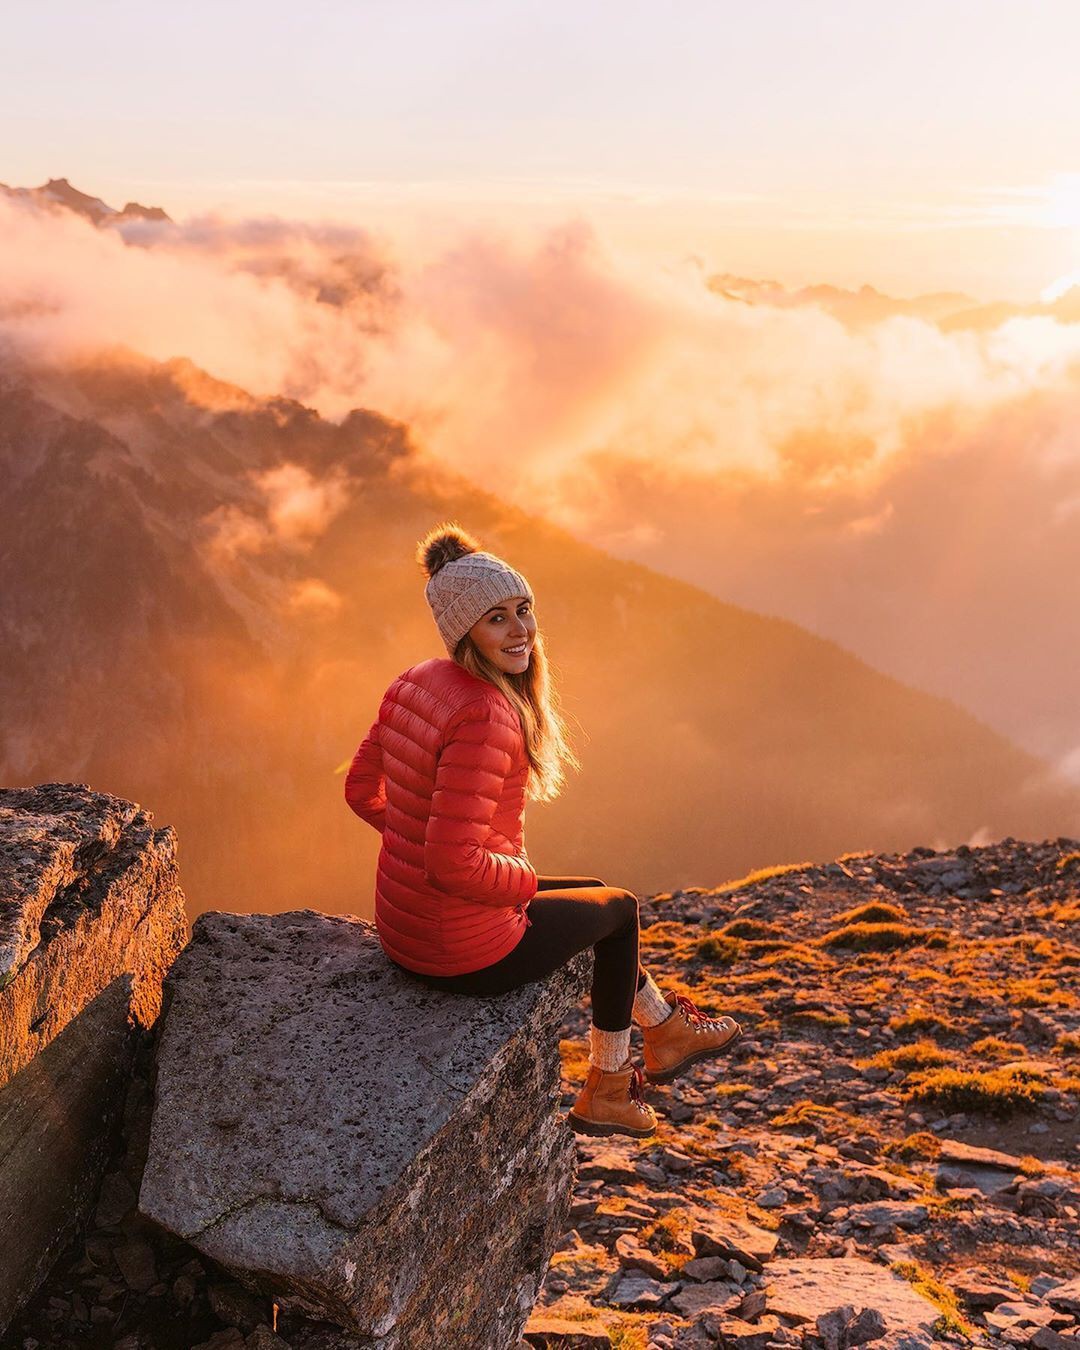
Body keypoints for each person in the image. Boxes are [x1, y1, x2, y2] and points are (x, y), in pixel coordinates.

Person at [344, 521, 741, 1139]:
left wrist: (417, 837)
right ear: (464, 631)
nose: (521, 630)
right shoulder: (486, 712)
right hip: (461, 953)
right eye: (496, 617)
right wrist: (517, 879)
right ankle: (608, 1087)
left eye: (523, 610)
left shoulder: (415, 681)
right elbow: (453, 864)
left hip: (406, 931)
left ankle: (663, 1029)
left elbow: (359, 790)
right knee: (620, 910)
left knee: (595, 890)